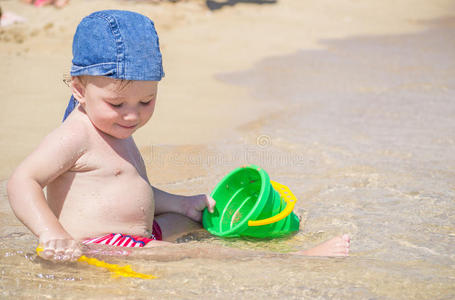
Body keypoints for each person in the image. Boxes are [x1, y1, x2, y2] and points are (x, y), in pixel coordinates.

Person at [7, 10, 350, 262]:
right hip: (101, 246)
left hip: (138, 233)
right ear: (80, 90)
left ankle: (262, 235)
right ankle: (296, 258)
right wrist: (53, 233)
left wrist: (181, 203)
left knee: (196, 220)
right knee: (199, 255)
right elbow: (23, 181)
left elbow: (128, 184)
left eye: (146, 101)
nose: (132, 115)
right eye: (116, 103)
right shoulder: (75, 135)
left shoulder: (114, 127)